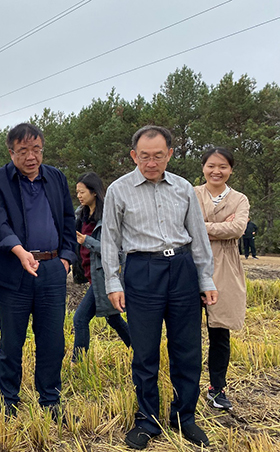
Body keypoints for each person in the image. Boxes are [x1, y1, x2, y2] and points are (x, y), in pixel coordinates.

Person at [101, 125, 217, 449]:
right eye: (144, 156)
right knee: (145, 351)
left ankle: (184, 417)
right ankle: (147, 420)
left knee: (187, 349)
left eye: (158, 156)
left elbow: (198, 236)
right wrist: (113, 281)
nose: (151, 163)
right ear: (133, 155)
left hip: (182, 269)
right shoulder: (119, 190)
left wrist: (205, 278)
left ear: (169, 154)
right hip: (142, 271)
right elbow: (109, 239)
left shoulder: (183, 188)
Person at [0, 123, 76, 418]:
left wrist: (66, 258)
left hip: (52, 270)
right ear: (11, 152)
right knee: (12, 340)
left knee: (52, 340)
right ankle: (9, 399)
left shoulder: (56, 178)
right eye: (23, 151)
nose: (31, 156)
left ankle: (50, 400)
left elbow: (68, 219)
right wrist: (20, 251)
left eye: (36, 149)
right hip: (13, 270)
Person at [194, 147, 249, 411]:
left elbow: (237, 228)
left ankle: (217, 388)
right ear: (203, 168)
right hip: (192, 265)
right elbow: (183, 226)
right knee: (187, 332)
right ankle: (187, 385)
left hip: (226, 267)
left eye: (223, 166)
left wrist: (202, 226)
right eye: (211, 166)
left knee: (219, 332)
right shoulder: (192, 193)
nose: (217, 171)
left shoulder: (240, 199)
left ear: (231, 170)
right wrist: (220, 228)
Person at [72, 172, 131, 362]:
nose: (79, 196)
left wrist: (87, 241)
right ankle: (140, 351)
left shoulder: (108, 216)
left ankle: (77, 362)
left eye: (82, 192)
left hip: (105, 277)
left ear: (94, 192)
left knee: (80, 319)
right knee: (113, 319)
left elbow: (116, 250)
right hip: (91, 275)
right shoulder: (81, 215)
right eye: (77, 192)